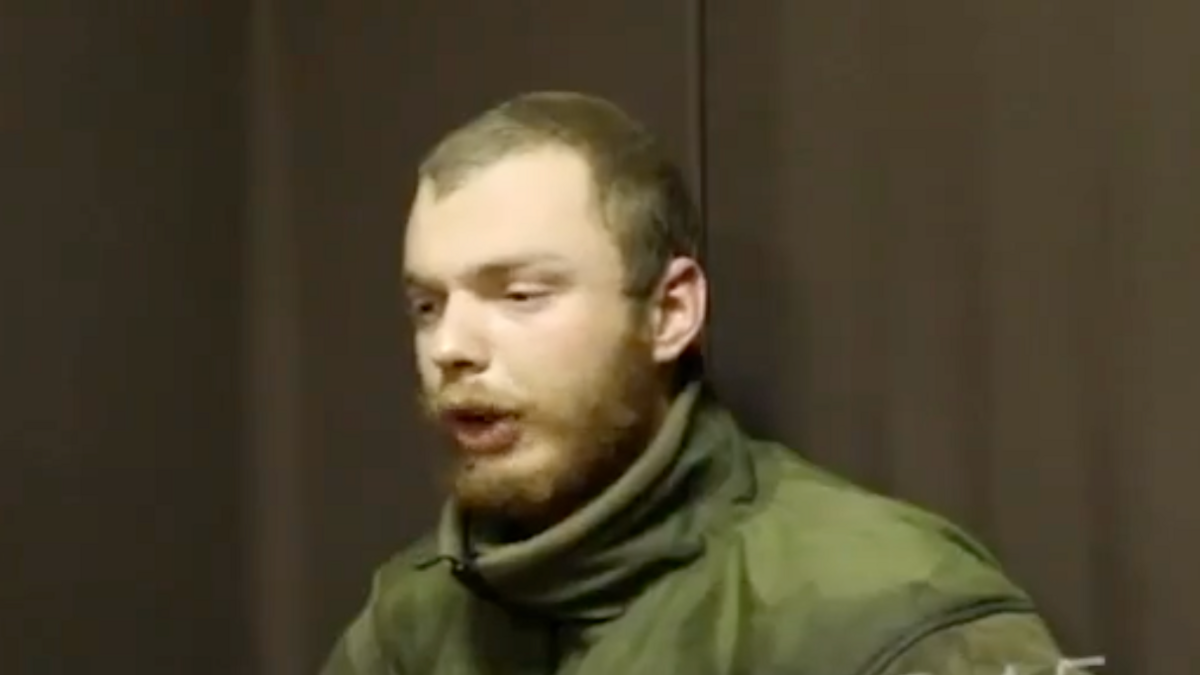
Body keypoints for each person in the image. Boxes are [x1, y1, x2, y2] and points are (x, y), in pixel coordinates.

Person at [320, 92, 1098, 675]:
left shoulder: (884, 611)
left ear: (670, 312)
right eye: (427, 305)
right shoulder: (408, 623)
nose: (451, 346)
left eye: (521, 294)